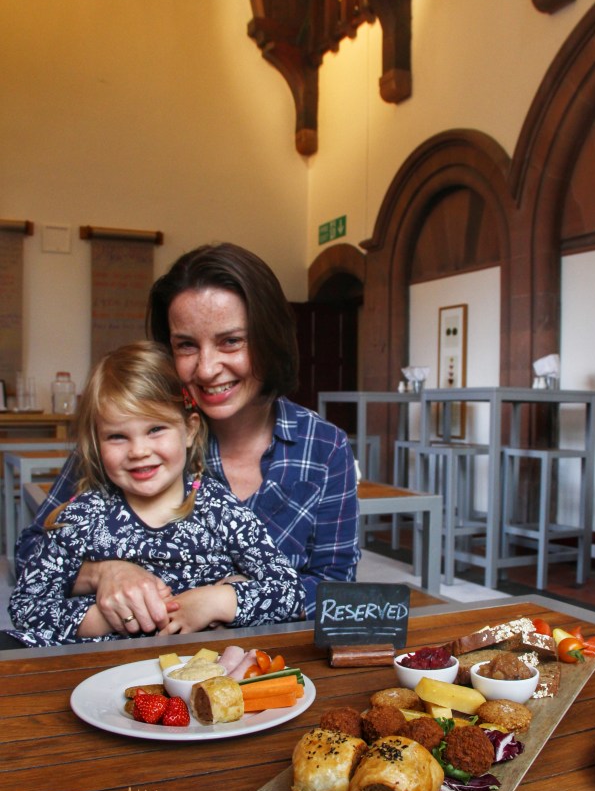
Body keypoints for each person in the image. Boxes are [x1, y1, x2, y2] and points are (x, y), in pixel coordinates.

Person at [15, 242, 359, 629]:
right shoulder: (132, 435)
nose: (207, 369)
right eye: (186, 345)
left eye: (231, 341)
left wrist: (228, 600)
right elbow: (31, 557)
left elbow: (338, 589)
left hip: (265, 657)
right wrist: (104, 572)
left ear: (271, 337)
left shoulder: (324, 447)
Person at [7, 342, 305, 647]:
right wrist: (106, 618)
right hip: (100, 663)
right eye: (117, 436)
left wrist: (217, 601)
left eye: (155, 429)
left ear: (189, 430)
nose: (138, 451)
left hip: (198, 662)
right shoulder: (82, 517)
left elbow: (290, 593)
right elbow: (26, 607)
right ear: (96, 443)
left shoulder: (218, 507)